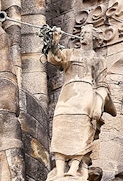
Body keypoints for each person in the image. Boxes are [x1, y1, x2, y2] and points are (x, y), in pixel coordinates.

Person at [46, 25, 114, 181]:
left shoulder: (98, 59)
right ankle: (60, 171)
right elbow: (56, 58)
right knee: (61, 127)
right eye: (82, 33)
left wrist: (98, 105)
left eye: (87, 33)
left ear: (94, 38)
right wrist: (55, 41)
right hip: (68, 95)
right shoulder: (71, 53)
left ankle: (75, 168)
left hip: (85, 96)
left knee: (82, 129)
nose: (83, 35)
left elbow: (102, 84)